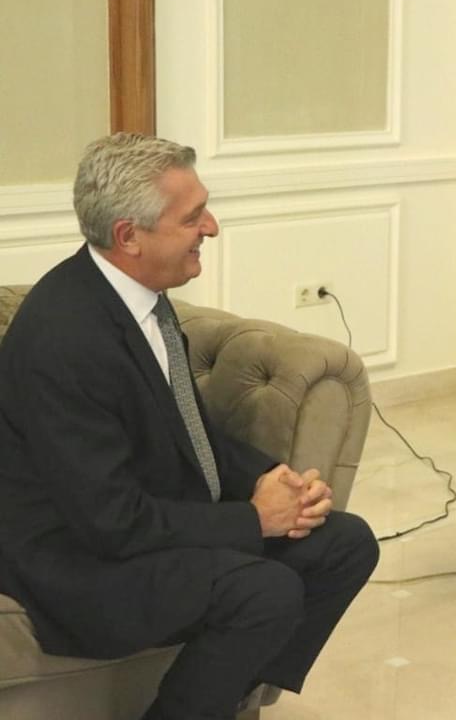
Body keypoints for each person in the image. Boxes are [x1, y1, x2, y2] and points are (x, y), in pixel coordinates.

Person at [0, 133, 380, 720]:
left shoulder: (141, 300)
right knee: (265, 593)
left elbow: (186, 432)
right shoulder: (65, 339)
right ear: (129, 236)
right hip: (76, 565)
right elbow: (110, 523)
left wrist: (274, 480)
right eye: (192, 217)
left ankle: (224, 699)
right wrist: (254, 519)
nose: (212, 227)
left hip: (134, 525)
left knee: (345, 545)